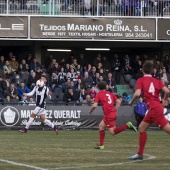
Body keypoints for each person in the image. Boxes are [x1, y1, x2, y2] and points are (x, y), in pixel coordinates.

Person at [128, 60, 170, 160]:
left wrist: (131, 101)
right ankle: (140, 154)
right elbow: (167, 91)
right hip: (154, 108)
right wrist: (164, 100)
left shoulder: (141, 80)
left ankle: (139, 154)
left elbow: (137, 94)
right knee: (141, 128)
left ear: (142, 70)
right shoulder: (156, 81)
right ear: (152, 71)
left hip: (154, 109)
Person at [89, 81, 137, 150]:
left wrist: (90, 110)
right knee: (101, 126)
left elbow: (94, 105)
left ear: (98, 88)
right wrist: (115, 110)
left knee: (113, 132)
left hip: (109, 115)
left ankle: (127, 125)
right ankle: (101, 145)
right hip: (111, 114)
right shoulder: (109, 93)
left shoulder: (99, 94)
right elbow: (118, 101)